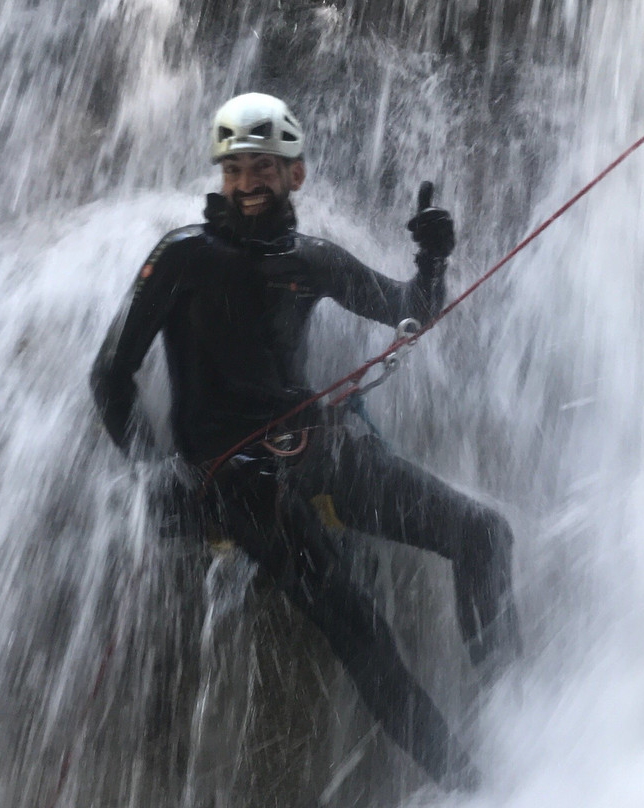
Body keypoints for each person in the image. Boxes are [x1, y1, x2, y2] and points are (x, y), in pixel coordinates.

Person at [90, 92, 521, 789]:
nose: (246, 182)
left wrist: (433, 261)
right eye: (234, 169)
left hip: (311, 449)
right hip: (229, 478)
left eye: (263, 166)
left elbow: (408, 310)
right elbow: (111, 376)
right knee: (363, 629)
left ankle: (520, 719)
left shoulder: (312, 260)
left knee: (484, 534)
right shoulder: (179, 259)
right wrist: (153, 467)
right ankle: (478, 788)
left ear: (295, 174)